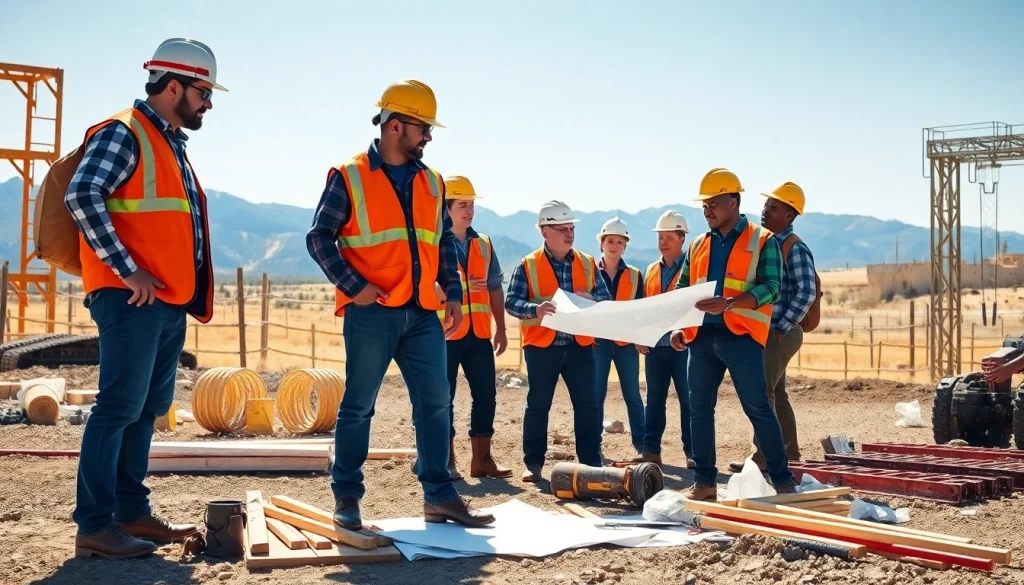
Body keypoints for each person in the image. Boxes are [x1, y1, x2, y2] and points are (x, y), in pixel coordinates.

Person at [306, 80, 494, 529]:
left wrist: (452, 293)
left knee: (436, 403)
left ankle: (440, 496)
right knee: (359, 406)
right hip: (372, 313)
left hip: (423, 312)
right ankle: (347, 497)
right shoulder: (349, 176)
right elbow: (319, 238)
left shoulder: (432, 181)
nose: (428, 136)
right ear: (394, 126)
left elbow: (442, 242)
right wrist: (355, 286)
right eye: (422, 127)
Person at [63, 38, 223, 559]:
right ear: (172, 86)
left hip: (165, 301)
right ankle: (95, 524)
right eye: (203, 92)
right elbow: (82, 194)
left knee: (146, 409)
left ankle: (131, 512)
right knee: (118, 408)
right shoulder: (125, 132)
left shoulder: (170, 142)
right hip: (130, 298)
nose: (208, 103)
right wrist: (127, 269)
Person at [669, 167, 797, 501]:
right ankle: (705, 482)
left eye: (713, 203)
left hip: (741, 337)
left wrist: (729, 303)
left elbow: (772, 286)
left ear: (733, 202)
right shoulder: (697, 245)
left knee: (758, 408)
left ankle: (783, 481)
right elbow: (683, 290)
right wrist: (679, 327)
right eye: (704, 205)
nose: (707, 210)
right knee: (699, 410)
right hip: (700, 339)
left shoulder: (762, 239)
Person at [505, 200, 611, 482]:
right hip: (542, 347)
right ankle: (533, 464)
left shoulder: (588, 263)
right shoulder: (527, 265)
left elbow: (606, 299)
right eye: (563, 229)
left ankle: (590, 462)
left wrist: (592, 299)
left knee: (587, 405)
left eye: (571, 228)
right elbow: (511, 302)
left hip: (580, 347)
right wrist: (535, 309)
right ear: (545, 232)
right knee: (538, 405)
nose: (569, 233)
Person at [729, 182, 816, 473]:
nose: (765, 210)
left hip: (781, 332)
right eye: (766, 205)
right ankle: (789, 454)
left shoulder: (794, 248)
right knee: (776, 395)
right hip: (771, 331)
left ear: (789, 215)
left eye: (773, 207)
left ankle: (762, 458)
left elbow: (807, 291)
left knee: (761, 393)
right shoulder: (771, 243)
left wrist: (783, 325)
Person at [434, 175, 512, 480]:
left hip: (479, 333)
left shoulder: (484, 243)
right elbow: (422, 283)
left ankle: (482, 460)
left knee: (486, 396)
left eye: (471, 205)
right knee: (443, 398)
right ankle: (446, 461)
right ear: (447, 208)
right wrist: (444, 289)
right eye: (462, 205)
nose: (469, 211)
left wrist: (501, 328)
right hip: (445, 334)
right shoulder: (433, 243)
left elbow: (494, 287)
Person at [635, 211, 695, 469]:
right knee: (654, 401)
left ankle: (693, 452)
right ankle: (651, 451)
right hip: (655, 347)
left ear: (682, 238)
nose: (663, 242)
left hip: (684, 346)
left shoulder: (693, 268)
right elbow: (645, 308)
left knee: (688, 400)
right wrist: (640, 335)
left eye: (669, 237)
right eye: (660, 237)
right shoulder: (650, 270)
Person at [592, 217, 646, 456]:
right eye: (610, 241)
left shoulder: (635, 275)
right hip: (598, 342)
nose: (614, 245)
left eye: (619, 242)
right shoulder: (589, 271)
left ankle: (642, 444)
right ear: (602, 243)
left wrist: (640, 336)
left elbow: (640, 309)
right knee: (596, 395)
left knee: (632, 395)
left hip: (626, 344)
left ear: (625, 246)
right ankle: (593, 444)